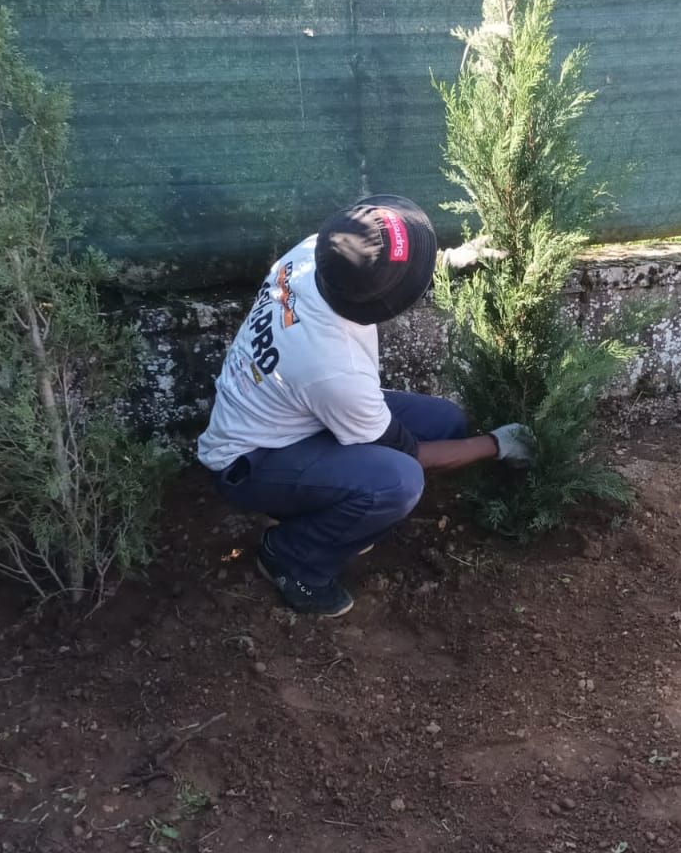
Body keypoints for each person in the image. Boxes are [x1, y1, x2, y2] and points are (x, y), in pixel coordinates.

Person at [197, 194, 530, 617]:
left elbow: (382, 276)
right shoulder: (335, 368)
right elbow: (408, 451)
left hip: (292, 409)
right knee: (398, 481)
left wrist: (449, 260)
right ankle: (291, 556)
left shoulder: (317, 252)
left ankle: (345, 511)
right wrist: (498, 444)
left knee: (446, 421)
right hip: (250, 462)